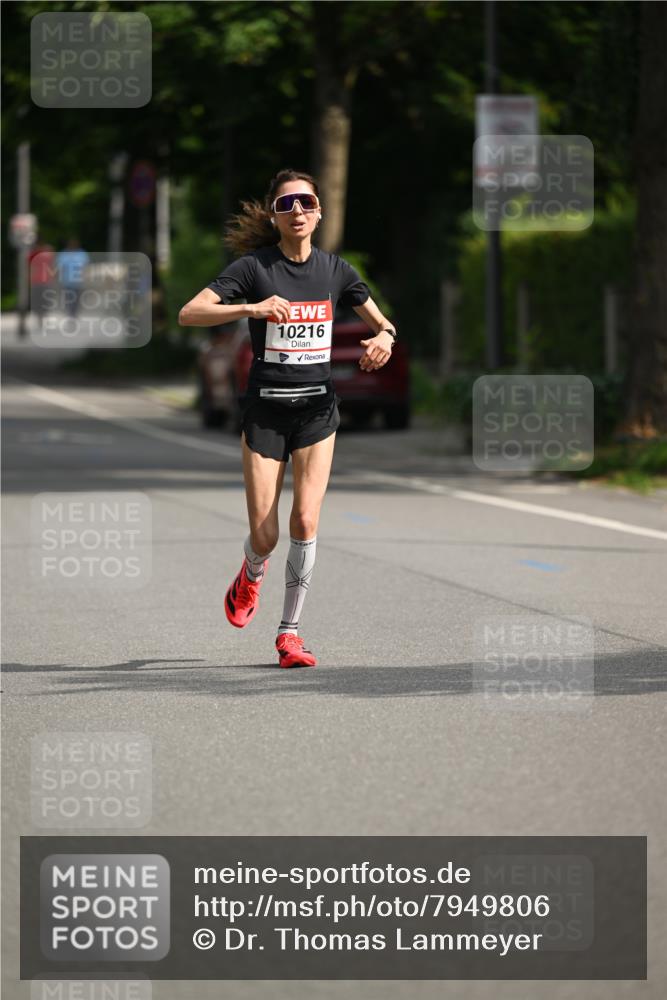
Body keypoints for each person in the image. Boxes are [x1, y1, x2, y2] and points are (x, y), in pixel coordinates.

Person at [179, 168, 398, 668]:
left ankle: (290, 634)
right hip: (266, 413)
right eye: (286, 205)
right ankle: (251, 571)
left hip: (319, 410)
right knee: (267, 534)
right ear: (276, 216)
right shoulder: (254, 269)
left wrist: (385, 336)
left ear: (319, 212)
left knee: (305, 518)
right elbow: (189, 313)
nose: (296, 211)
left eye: (305, 202)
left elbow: (382, 321)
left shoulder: (336, 271)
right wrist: (251, 309)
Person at [56, 237, 89, 318]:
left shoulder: (82, 254)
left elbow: (85, 267)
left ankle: (74, 313)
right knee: (68, 298)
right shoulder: (63, 254)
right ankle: (69, 312)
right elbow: (60, 267)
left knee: (77, 299)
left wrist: (85, 277)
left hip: (78, 281)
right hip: (66, 281)